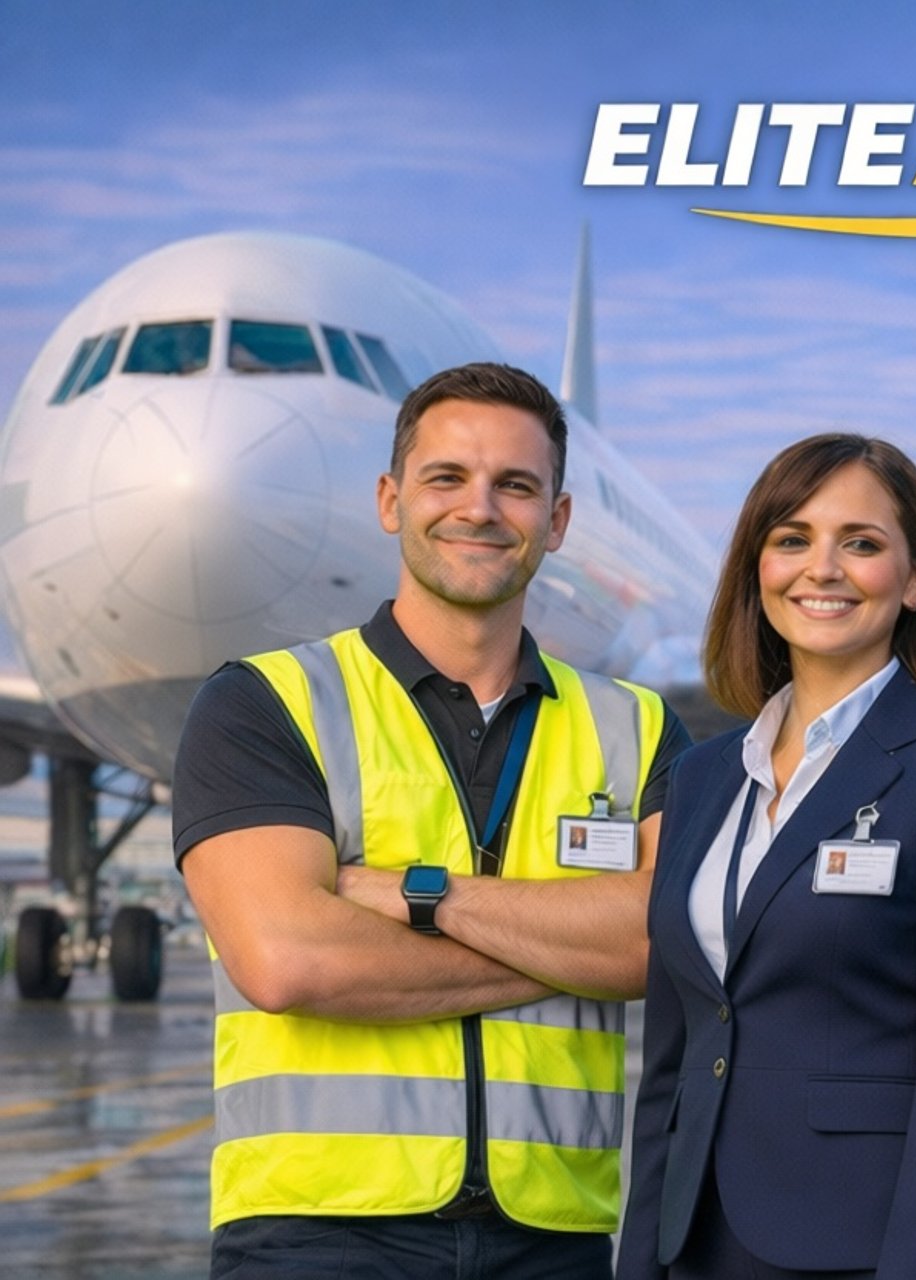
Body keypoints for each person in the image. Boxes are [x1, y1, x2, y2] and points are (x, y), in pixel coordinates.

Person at [174, 362, 688, 1278]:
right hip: (315, 1231)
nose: (479, 508)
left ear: (558, 521)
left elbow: (659, 946)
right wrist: (569, 947)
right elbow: (289, 958)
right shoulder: (267, 703)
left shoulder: (638, 728)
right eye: (446, 478)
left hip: (554, 1236)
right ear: (390, 499)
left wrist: (423, 897)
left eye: (517, 486)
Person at [617, 433, 916, 1280]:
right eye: (793, 538)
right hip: (697, 1239)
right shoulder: (702, 776)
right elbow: (678, 1053)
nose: (824, 567)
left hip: (865, 1243)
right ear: (756, 567)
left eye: (863, 543)